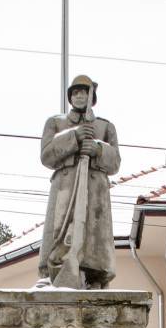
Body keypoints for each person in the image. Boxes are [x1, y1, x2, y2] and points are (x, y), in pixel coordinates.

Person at [36, 75, 121, 289]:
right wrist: (74, 137)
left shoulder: (104, 127)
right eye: (75, 92)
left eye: (84, 92)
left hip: (94, 189)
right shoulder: (56, 123)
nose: (80, 96)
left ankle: (95, 277)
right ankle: (49, 273)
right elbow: (46, 156)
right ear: (70, 97)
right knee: (59, 231)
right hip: (65, 186)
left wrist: (98, 149)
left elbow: (115, 163)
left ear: (92, 97)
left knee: (95, 237)